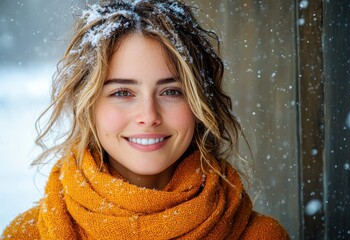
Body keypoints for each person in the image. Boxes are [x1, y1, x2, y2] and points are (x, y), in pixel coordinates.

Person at [2, 0, 289, 239]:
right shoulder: (26, 234)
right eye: (123, 92)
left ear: (200, 102)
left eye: (171, 91)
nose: (149, 116)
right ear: (87, 103)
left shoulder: (262, 235)